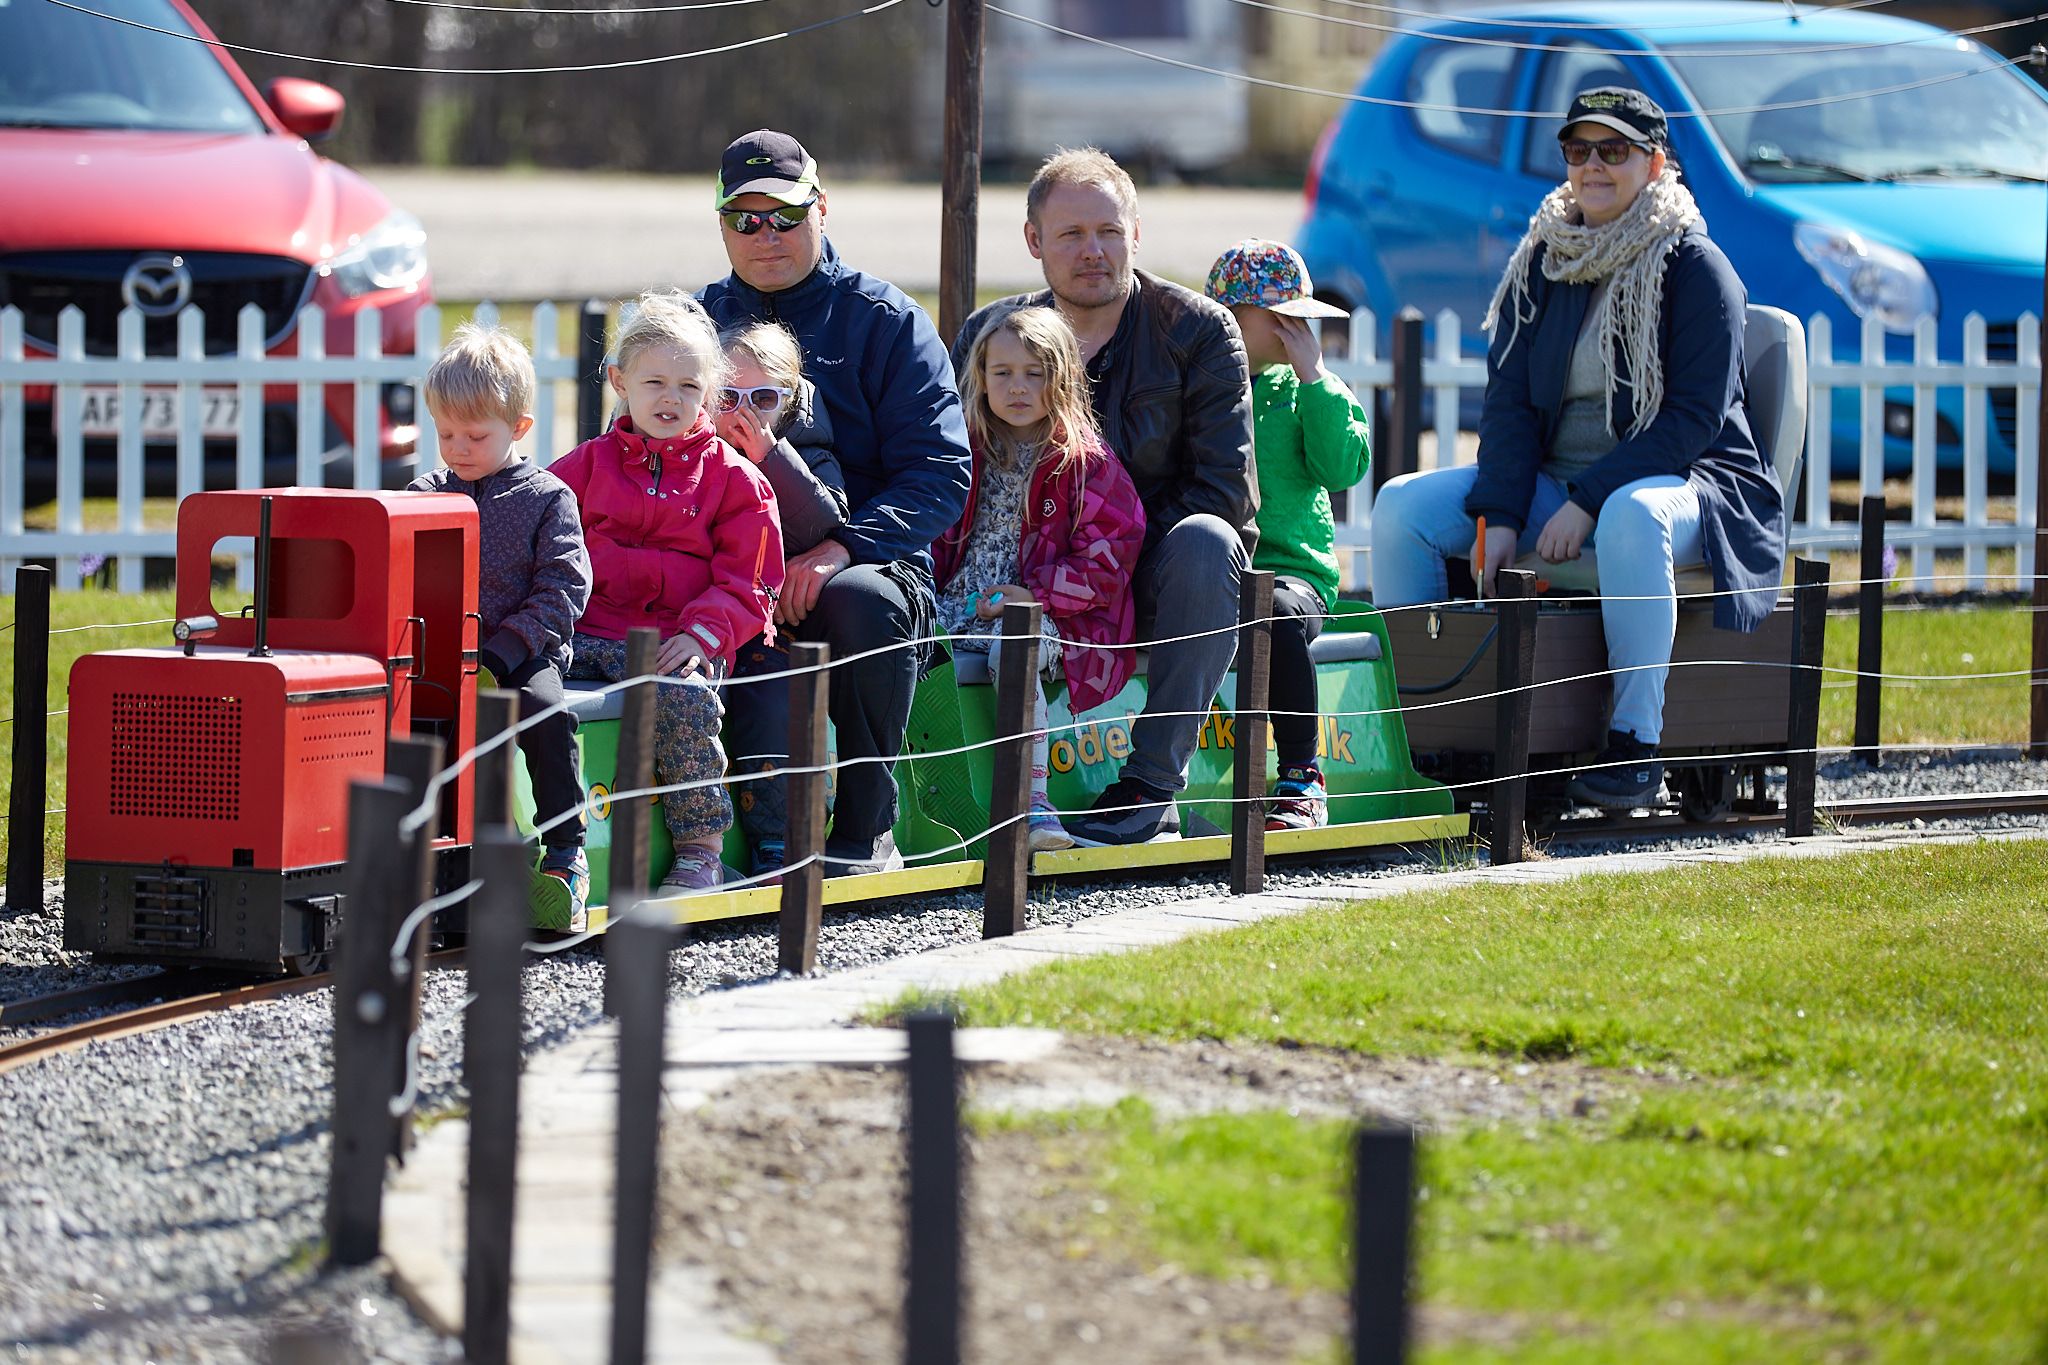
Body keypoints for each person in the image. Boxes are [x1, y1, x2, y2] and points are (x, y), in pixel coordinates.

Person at [1371, 88, 1784, 810]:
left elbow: (1691, 420)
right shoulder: (1545, 261)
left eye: (1614, 150)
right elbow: (1508, 404)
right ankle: (1423, 739)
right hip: (1558, 487)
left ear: (1657, 164)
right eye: (1578, 150)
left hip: (1695, 488)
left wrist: (1588, 500)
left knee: (1632, 512)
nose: (1592, 166)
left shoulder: (1697, 268)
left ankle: (1635, 745)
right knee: (1401, 505)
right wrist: (1500, 512)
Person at [953, 147, 1256, 846]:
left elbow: (1224, 493)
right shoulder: (991, 336)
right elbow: (956, 477)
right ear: (1034, 241)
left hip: (1151, 575)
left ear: (1136, 233)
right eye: (1071, 234)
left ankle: (1151, 787)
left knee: (1210, 538)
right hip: (1015, 578)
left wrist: (1088, 577)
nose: (1094, 250)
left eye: (1109, 231)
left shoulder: (1198, 332)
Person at [698, 129, 972, 876]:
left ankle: (864, 831)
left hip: (865, 563)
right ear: (721, 222)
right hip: (723, 560)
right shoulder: (693, 324)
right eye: (745, 218)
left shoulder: (888, 322)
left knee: (859, 599)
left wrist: (842, 545)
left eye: (785, 215)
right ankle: (672, 841)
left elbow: (941, 475)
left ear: (822, 207)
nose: (767, 234)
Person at [551, 290, 785, 891]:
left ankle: (699, 847)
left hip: (674, 644)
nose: (670, 398)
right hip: (589, 633)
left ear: (709, 393)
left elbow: (751, 579)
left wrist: (702, 634)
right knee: (520, 683)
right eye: (654, 381)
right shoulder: (583, 468)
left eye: (688, 386)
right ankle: (547, 841)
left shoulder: (736, 481)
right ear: (618, 381)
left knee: (681, 699)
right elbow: (544, 541)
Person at [936, 306, 1146, 851]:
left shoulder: (1086, 464)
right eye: (1002, 373)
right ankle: (914, 808)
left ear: (1063, 379)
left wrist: (1036, 596)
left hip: (1052, 617)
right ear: (979, 377)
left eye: (1036, 373)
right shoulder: (962, 452)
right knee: (893, 644)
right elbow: (929, 534)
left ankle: (1032, 807)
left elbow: (1110, 557)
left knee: (1016, 647)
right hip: (956, 604)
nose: (1018, 387)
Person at [411, 322, 595, 929]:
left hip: (519, 654)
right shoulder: (424, 494)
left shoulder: (547, 497)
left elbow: (565, 586)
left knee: (546, 715)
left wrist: (504, 650)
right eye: (445, 434)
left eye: (474, 434)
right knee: (406, 729)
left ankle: (565, 854)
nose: (458, 448)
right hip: (436, 654)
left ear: (518, 429)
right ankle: (429, 850)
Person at [1203, 239, 1370, 831]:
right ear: (1231, 317)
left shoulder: (1306, 389)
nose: (1293, 327)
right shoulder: (1202, 383)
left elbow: (1344, 466)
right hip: (1214, 560)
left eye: (1301, 315)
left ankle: (1303, 776)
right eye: (1278, 316)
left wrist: (1316, 377)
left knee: (1270, 610)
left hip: (1293, 572)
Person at [714, 320, 847, 881]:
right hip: (696, 618)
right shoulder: (688, 454)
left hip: (768, 627)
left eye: (764, 398)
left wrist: (772, 458)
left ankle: (779, 838)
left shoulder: (805, 451)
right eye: (728, 397)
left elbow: (825, 521)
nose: (746, 413)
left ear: (789, 400)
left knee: (769, 691)